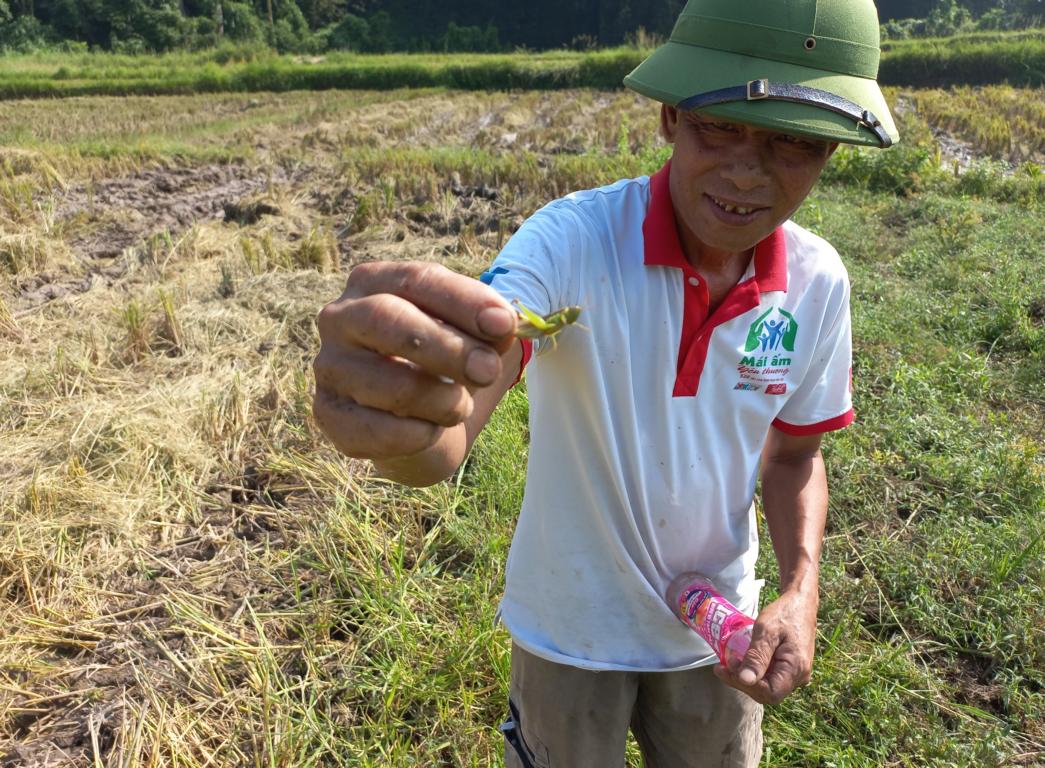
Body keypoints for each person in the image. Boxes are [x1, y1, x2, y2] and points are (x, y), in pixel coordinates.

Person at [312, 0, 898, 764]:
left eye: (791, 143)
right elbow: (458, 412)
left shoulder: (817, 282)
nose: (747, 170)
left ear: (828, 152)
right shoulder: (572, 241)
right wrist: (406, 428)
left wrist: (801, 591)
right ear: (669, 118)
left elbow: (794, 456)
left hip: (715, 632)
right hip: (568, 629)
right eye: (718, 125)